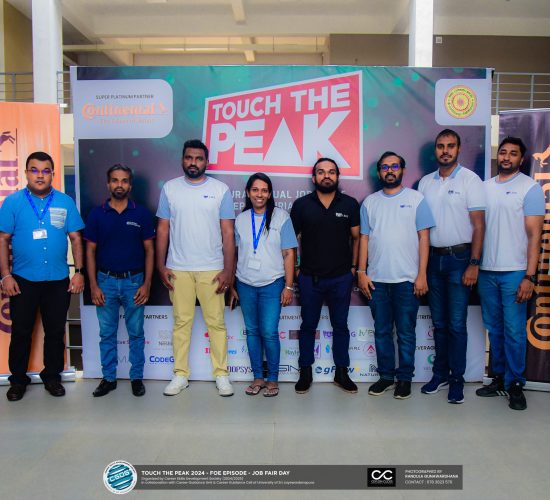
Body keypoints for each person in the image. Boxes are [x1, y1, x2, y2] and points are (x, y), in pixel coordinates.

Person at [0, 151, 84, 401]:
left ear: (52, 174)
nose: (40, 175)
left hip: (57, 280)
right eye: (34, 170)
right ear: (26, 173)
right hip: (22, 280)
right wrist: (5, 276)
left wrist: (79, 272)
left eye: (45, 170)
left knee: (55, 332)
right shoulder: (12, 203)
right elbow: (2, 240)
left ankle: (52, 377)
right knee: (21, 332)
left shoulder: (65, 202)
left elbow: (76, 238)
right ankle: (18, 381)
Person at [156, 139, 236, 397]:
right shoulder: (170, 188)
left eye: (199, 158)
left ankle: (221, 374)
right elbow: (162, 229)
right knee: (181, 323)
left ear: (206, 162)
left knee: (217, 324)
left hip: (212, 269)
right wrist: (160, 265)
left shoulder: (220, 190)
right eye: (189, 157)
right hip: (178, 268)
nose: (193, 162)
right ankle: (180, 375)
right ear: (182, 159)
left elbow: (228, 232)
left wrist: (228, 270)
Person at [358, 152, 435, 399]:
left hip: (407, 281)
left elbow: (424, 238)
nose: (389, 170)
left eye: (394, 166)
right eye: (384, 167)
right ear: (379, 172)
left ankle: (404, 378)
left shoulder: (416, 199)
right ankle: (386, 377)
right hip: (377, 281)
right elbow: (364, 239)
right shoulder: (369, 202)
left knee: (406, 333)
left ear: (402, 170)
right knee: (381, 331)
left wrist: (422, 275)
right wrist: (361, 272)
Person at [476, 137, 544, 411]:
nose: (506, 157)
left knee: (514, 331)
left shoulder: (530, 188)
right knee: (495, 330)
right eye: (503, 152)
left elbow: (535, 235)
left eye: (513, 153)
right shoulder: (484, 188)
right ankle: (499, 378)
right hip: (486, 272)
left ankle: (516, 383)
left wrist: (529, 276)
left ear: (521, 159)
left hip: (515, 272)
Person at [418, 129, 486, 404]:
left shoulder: (470, 180)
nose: (445, 150)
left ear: (458, 149)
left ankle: (457, 379)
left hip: (460, 259)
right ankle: (440, 374)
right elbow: (421, 229)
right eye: (440, 146)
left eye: (450, 146)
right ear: (435, 150)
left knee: (457, 324)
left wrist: (474, 263)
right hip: (433, 260)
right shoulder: (425, 183)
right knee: (440, 323)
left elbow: (479, 225)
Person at [290, 157, 360, 394]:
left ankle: (341, 372)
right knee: (308, 326)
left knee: (340, 326)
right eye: (321, 172)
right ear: (314, 178)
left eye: (331, 172)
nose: (326, 176)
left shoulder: (349, 204)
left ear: (337, 177)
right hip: (310, 278)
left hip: (341, 277)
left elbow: (357, 238)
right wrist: (297, 267)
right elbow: (291, 240)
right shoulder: (301, 205)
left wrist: (353, 268)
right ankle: (305, 372)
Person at [85, 164, 155, 398]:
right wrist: (93, 285)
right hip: (104, 281)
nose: (119, 185)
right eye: (115, 180)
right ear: (108, 184)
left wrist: (146, 283)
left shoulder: (141, 214)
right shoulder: (97, 214)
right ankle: (109, 378)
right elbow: (90, 251)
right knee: (107, 333)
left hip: (134, 282)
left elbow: (150, 250)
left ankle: (136, 378)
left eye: (124, 181)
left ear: (130, 185)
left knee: (136, 333)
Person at [229, 173, 297, 397]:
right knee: (252, 332)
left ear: (270, 194)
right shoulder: (241, 219)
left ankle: (273, 379)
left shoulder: (281, 217)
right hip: (245, 284)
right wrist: (232, 284)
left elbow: (289, 253)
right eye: (255, 190)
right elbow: (235, 254)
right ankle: (258, 377)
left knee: (268, 332)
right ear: (248, 193)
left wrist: (288, 286)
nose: (260, 194)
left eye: (264, 190)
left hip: (272, 284)